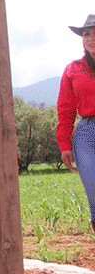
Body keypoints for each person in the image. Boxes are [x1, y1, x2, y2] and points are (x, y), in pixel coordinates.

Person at [57, 14, 95, 235]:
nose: (90, 38)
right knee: (94, 191)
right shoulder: (73, 69)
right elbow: (65, 109)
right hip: (87, 135)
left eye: (94, 33)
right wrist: (64, 145)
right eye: (86, 34)